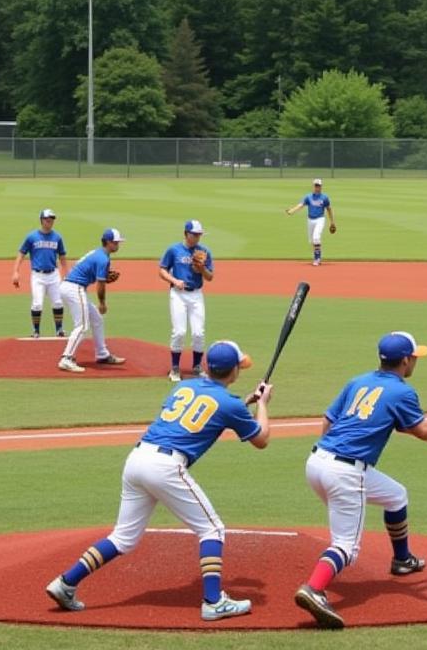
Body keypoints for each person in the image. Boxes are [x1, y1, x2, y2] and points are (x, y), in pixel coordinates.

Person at [46, 340, 272, 622]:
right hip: (166, 467)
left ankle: (66, 583)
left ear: (207, 367)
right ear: (234, 371)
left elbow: (210, 408)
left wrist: (245, 402)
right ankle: (213, 602)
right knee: (212, 529)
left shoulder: (184, 386)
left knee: (122, 537)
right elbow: (261, 439)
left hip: (137, 459)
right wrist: (262, 405)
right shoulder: (230, 404)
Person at [293, 331, 427, 630]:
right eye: (414, 357)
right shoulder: (402, 391)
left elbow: (329, 421)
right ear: (404, 360)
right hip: (347, 472)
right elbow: (423, 428)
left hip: (317, 461)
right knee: (347, 546)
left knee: (395, 495)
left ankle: (403, 560)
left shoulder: (358, 381)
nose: (415, 362)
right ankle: (314, 588)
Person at [57, 228, 128, 373]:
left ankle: (102, 354)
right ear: (108, 242)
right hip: (74, 288)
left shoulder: (99, 253)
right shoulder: (103, 258)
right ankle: (66, 358)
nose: (118, 245)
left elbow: (93, 274)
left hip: (71, 286)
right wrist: (102, 302)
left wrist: (104, 278)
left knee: (96, 319)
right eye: (116, 242)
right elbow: (100, 284)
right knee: (82, 326)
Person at [159, 220, 214, 382]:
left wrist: (202, 268)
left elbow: (210, 277)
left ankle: (197, 367)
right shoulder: (174, 250)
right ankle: (175, 368)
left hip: (196, 295)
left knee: (198, 333)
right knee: (179, 332)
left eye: (199, 235)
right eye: (194, 234)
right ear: (186, 234)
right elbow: (162, 270)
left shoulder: (204, 251)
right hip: (178, 294)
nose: (197, 237)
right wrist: (175, 281)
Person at [12, 208, 68, 338]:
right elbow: (21, 254)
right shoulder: (32, 237)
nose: (50, 222)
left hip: (54, 274)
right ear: (42, 220)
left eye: (52, 219)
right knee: (37, 304)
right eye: (47, 219)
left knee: (58, 302)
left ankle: (59, 330)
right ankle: (36, 331)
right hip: (38, 275)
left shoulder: (57, 237)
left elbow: (62, 257)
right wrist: (15, 272)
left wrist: (66, 273)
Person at [285, 178, 336, 266]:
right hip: (310, 220)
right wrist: (292, 210)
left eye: (319, 186)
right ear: (313, 186)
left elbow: (329, 209)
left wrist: (332, 222)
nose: (317, 187)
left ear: (321, 187)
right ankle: (316, 256)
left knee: (316, 237)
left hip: (320, 219)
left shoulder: (324, 198)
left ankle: (317, 259)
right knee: (312, 241)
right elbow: (301, 205)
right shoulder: (308, 197)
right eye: (316, 185)